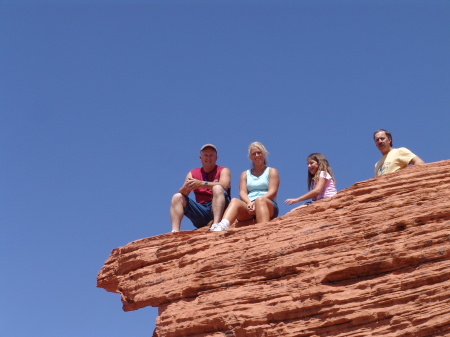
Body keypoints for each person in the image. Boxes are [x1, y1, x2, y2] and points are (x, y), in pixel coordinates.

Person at [211, 142, 279, 232]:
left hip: (267, 205)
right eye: (253, 154)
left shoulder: (272, 171)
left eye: (259, 152)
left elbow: (273, 191)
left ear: (264, 154)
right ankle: (222, 225)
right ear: (250, 157)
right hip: (249, 206)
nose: (257, 155)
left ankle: (263, 230)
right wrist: (249, 203)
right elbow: (242, 192)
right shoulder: (245, 174)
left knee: (260, 200)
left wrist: (255, 202)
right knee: (235, 201)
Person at [170, 144, 231, 232]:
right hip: (201, 210)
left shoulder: (223, 170)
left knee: (217, 188)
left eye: (211, 155)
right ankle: (175, 231)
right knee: (177, 196)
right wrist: (186, 186)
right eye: (206, 155)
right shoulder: (193, 172)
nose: (208, 158)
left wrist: (201, 183)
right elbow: (183, 193)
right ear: (200, 158)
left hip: (220, 207)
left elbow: (225, 185)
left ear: (216, 158)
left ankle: (216, 225)